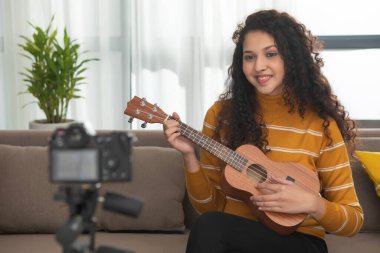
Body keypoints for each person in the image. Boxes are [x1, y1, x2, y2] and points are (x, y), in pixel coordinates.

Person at [163, 9, 363, 253]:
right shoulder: (220, 115)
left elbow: (353, 221)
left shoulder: (321, 125)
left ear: (292, 58)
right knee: (209, 225)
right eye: (249, 57)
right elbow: (210, 208)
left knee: (211, 228)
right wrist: (188, 156)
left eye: (271, 54)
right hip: (233, 238)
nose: (259, 66)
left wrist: (314, 204)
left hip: (299, 242)